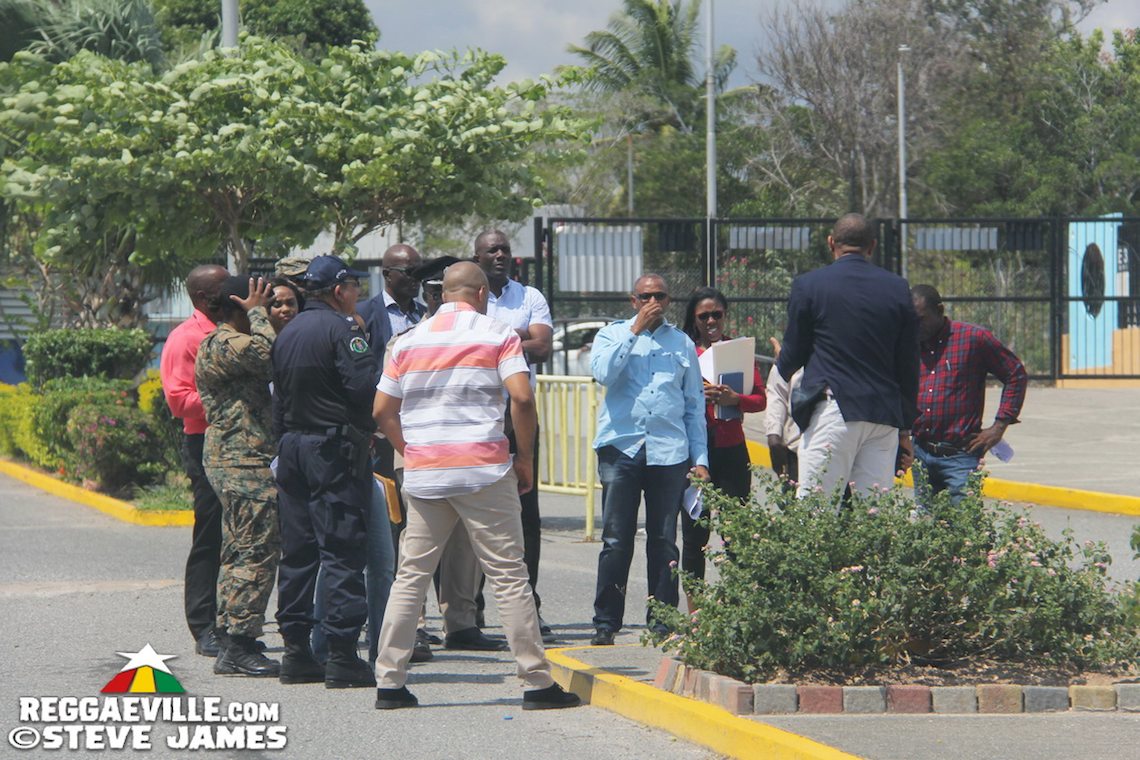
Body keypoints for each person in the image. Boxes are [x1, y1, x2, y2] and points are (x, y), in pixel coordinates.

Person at [371, 262, 580, 711]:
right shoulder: (498, 334)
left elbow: (382, 409)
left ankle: (389, 682)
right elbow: (522, 397)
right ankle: (537, 682)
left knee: (410, 576)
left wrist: (411, 449)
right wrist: (524, 458)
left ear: (444, 295)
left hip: (426, 475)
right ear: (482, 293)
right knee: (508, 575)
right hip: (484, 471)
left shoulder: (407, 341)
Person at [272, 254, 378, 689]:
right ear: (339, 290)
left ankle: (295, 651)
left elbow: (277, 399)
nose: (357, 295)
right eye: (353, 287)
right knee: (340, 548)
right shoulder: (344, 329)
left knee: (297, 551)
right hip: (331, 449)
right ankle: (340, 654)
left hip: (293, 447)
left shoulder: (288, 331)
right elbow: (363, 389)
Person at [589, 274, 709, 646]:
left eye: (659, 296)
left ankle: (662, 621)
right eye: (645, 296)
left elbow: (693, 406)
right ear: (633, 300)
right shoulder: (611, 335)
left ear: (669, 300)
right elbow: (603, 373)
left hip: (669, 451)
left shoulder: (682, 343)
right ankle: (607, 622)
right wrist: (635, 330)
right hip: (621, 447)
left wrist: (700, 458)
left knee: (663, 539)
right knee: (616, 538)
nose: (653, 301)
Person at [776, 213, 919, 504]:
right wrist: (905, 428)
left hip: (834, 411)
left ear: (831, 243)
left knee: (817, 515)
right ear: (872, 246)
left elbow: (793, 355)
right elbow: (908, 364)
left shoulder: (810, 285)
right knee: (873, 517)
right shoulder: (897, 288)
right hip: (883, 418)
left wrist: (783, 362)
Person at [471, 229, 556, 643]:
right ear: (478, 257)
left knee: (526, 515)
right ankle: (472, 610)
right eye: (493, 250)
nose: (501, 255)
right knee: (474, 513)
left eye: (505, 249)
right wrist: (518, 337)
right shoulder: (470, 295)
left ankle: (530, 606)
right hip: (477, 417)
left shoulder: (530, 297)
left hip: (519, 416)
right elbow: (468, 345)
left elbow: (542, 349)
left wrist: (496, 337)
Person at [195, 276, 281, 677]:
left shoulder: (227, 343)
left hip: (240, 458)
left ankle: (233, 636)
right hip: (240, 462)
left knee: (239, 550)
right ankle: (239, 645)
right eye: (250, 303)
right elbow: (268, 354)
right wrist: (258, 312)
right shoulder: (225, 343)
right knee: (255, 552)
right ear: (235, 305)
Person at [159, 264, 229, 658]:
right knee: (210, 535)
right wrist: (232, 402)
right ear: (203, 298)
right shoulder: (185, 338)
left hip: (242, 443)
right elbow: (179, 400)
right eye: (224, 288)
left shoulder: (233, 331)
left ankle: (234, 620)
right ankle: (204, 625)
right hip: (204, 441)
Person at [679, 287, 765, 585]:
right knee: (694, 535)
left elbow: (760, 400)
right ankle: (695, 614)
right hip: (696, 454)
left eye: (717, 314)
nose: (711, 320)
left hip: (731, 449)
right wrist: (694, 394)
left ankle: (735, 607)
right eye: (704, 316)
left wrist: (735, 399)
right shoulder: (684, 350)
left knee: (736, 533)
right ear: (694, 318)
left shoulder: (737, 350)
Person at [911, 284, 1028, 504]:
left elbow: (1015, 374)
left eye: (921, 319)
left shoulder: (973, 339)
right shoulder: (911, 345)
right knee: (927, 530)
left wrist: (999, 427)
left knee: (967, 528)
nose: (915, 326)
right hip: (922, 452)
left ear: (940, 310)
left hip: (960, 454)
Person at [763, 337, 803, 483]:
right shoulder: (798, 343)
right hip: (797, 450)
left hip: (841, 448)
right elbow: (777, 391)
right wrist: (774, 436)